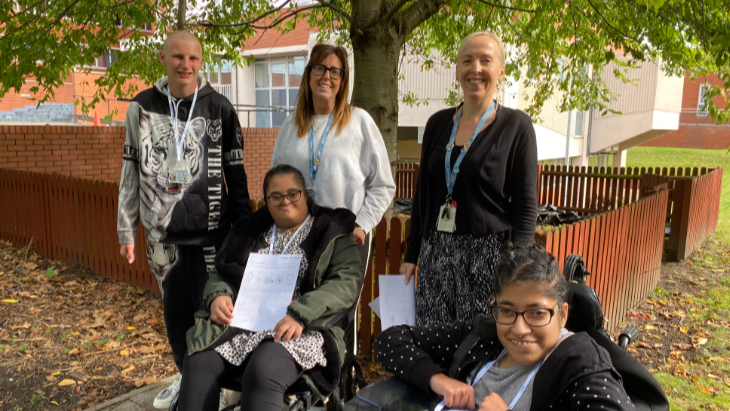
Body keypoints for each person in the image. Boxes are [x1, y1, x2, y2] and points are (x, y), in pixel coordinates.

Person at [116, 30, 252, 409]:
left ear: (201, 61)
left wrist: (245, 236)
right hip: (162, 239)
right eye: (177, 57)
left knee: (216, 314)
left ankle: (220, 383)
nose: (185, 65)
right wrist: (126, 229)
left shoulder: (220, 107)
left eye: (193, 58)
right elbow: (129, 172)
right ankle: (185, 378)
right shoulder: (140, 108)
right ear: (163, 58)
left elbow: (237, 179)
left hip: (214, 238)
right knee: (175, 317)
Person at [376, 243, 666, 411]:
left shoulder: (580, 365)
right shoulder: (484, 336)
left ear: (562, 315)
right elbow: (391, 340)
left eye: (537, 313)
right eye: (507, 310)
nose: (519, 328)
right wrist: (439, 379)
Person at [179, 164, 363, 411]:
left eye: (292, 193)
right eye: (275, 196)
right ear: (266, 200)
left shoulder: (333, 232)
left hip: (303, 329)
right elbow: (222, 272)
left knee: (263, 367)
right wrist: (217, 295)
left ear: (305, 194)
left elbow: (346, 283)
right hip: (243, 325)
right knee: (198, 360)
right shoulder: (250, 232)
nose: (284, 201)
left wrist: (301, 313)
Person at [400, 31, 538, 326]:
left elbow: (526, 204)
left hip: (488, 257)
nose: (475, 68)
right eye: (467, 61)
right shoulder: (437, 123)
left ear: (500, 71)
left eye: (485, 60)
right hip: (436, 252)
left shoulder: (517, 126)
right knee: (433, 339)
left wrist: (518, 268)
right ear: (457, 71)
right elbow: (423, 194)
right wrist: (412, 253)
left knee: (481, 345)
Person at [271, 43, 395, 269]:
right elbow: (275, 183)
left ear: (342, 81)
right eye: (319, 68)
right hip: (295, 238)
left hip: (344, 240)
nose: (326, 76)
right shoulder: (290, 126)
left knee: (339, 304)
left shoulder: (359, 123)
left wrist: (362, 225)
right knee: (297, 303)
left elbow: (383, 185)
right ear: (309, 75)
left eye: (335, 71)